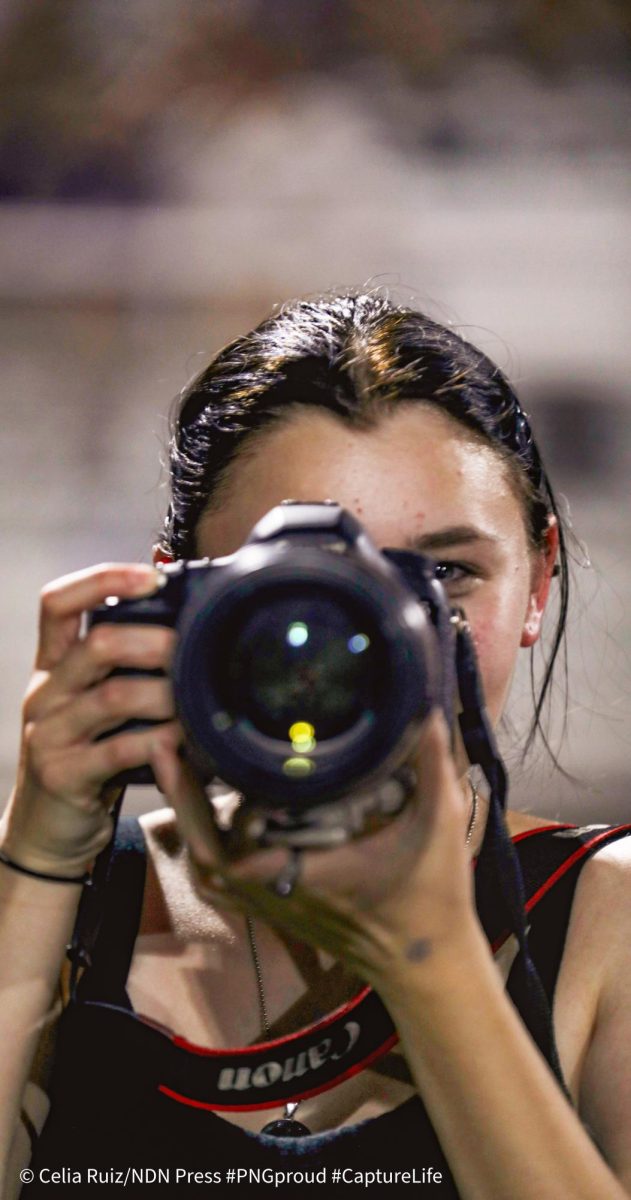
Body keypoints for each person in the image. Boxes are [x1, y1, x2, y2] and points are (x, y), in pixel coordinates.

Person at [1, 292, 630, 1199]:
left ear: (537, 582)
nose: (364, 642)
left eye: (441, 575)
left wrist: (430, 965)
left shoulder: (607, 921)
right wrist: (37, 860)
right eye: (309, 592)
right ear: (181, 603)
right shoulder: (70, 902)